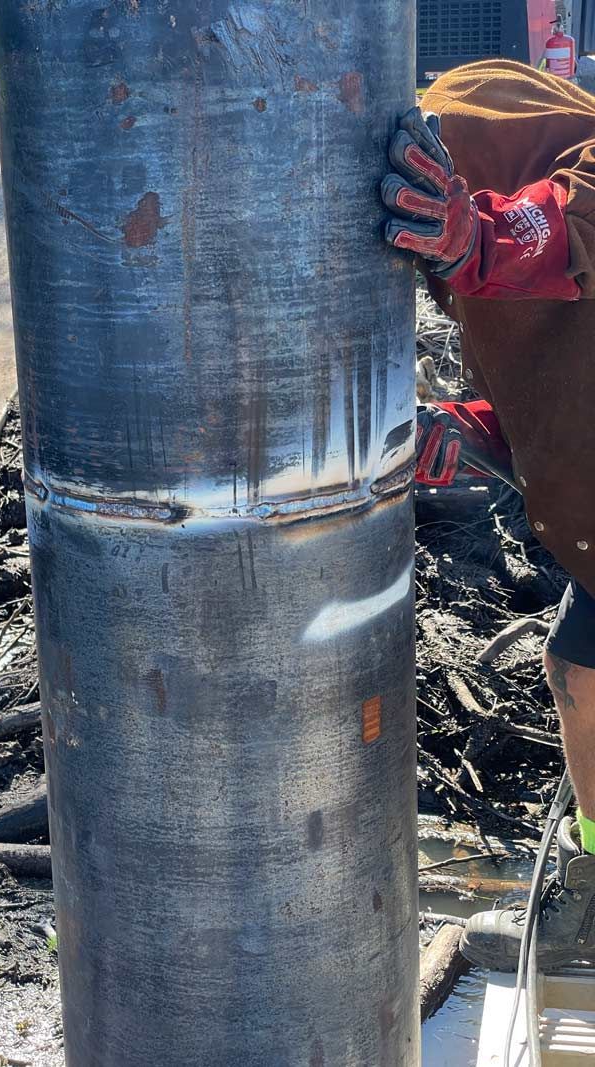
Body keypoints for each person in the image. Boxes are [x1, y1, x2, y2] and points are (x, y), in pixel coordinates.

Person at [381, 60, 595, 971]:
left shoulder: (575, 168)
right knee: (577, 671)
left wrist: (480, 234)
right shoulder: (484, 292)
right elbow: (535, 415)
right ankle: (594, 864)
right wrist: (461, 439)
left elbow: (563, 226)